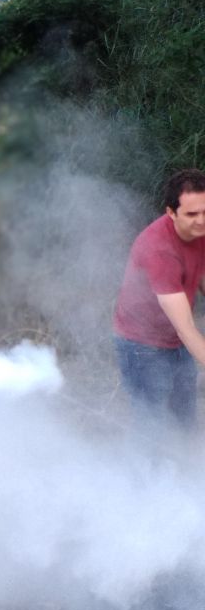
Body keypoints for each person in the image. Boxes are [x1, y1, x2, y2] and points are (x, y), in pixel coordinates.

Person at [113, 168, 205, 432]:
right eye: (191, 214)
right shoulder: (158, 251)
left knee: (184, 419)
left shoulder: (199, 232)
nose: (201, 220)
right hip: (141, 345)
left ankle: (185, 470)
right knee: (151, 424)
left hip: (176, 342)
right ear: (171, 212)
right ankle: (145, 473)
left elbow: (200, 275)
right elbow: (185, 327)